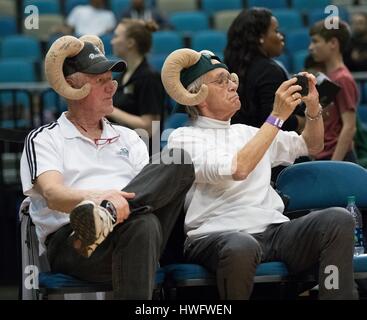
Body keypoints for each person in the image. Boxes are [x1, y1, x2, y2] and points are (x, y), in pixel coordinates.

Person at [162, 48, 356, 299]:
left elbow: (311, 145)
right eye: (221, 81)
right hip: (217, 235)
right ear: (198, 95)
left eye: (231, 79)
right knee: (242, 246)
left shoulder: (249, 132)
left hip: (274, 232)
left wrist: (312, 109)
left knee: (338, 220)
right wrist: (276, 117)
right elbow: (238, 168)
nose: (232, 86)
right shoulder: (183, 138)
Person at [20, 35, 194, 299]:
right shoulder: (45, 138)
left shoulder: (130, 137)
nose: (112, 87)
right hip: (76, 243)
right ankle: (105, 215)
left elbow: (150, 195)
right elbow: (54, 195)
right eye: (101, 81)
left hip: (136, 235)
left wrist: (111, 209)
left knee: (178, 161)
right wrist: (102, 197)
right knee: (143, 224)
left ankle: (108, 215)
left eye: (112, 80)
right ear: (72, 86)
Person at [224, 8, 305, 133]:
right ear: (260, 37)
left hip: (239, 141)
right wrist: (305, 120)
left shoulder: (228, 67)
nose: (281, 36)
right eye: (276, 31)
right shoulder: (269, 71)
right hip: (267, 147)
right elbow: (276, 121)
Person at [309, 19, 359, 162]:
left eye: (315, 41)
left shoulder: (343, 78)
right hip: (325, 156)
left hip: (337, 158)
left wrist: (334, 165)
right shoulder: (330, 76)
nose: (311, 47)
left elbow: (349, 127)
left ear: (333, 43)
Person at [110, 19, 164, 148]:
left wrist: (109, 110)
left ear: (130, 43)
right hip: (121, 149)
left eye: (116, 36)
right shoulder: (119, 78)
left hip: (145, 155)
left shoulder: (149, 78)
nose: (112, 41)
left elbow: (150, 127)